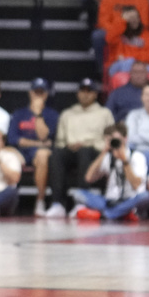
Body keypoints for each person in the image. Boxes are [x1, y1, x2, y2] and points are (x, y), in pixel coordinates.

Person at [45, 79, 114, 218]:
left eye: (89, 91)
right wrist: (68, 146)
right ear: (78, 93)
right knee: (56, 154)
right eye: (83, 91)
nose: (85, 94)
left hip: (94, 150)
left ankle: (81, 202)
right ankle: (57, 203)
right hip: (71, 148)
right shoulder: (67, 113)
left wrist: (89, 145)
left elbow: (109, 138)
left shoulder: (104, 113)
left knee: (85, 152)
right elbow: (60, 140)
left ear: (95, 94)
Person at [70, 123, 149, 221]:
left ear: (125, 139)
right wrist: (104, 151)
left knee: (145, 197)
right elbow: (89, 178)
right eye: (111, 141)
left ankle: (105, 214)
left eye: (117, 140)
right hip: (109, 201)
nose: (114, 143)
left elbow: (136, 185)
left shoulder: (137, 156)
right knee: (78, 193)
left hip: (129, 200)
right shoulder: (108, 157)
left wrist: (124, 161)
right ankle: (119, 214)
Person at [7, 78, 59, 217]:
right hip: (20, 152)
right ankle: (5, 201)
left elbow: (45, 137)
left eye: (41, 93)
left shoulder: (51, 115)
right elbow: (13, 139)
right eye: (36, 92)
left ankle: (40, 200)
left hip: (39, 154)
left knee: (42, 154)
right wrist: (39, 143)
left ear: (46, 95)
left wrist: (38, 114)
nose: (38, 95)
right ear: (30, 93)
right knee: (6, 153)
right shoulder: (19, 113)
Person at [93, 0, 149, 73]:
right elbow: (103, 21)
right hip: (114, 32)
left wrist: (128, 30)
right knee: (98, 35)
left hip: (135, 32)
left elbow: (144, 23)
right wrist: (119, 29)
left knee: (147, 37)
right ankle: (102, 73)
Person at [125, 83, 149, 173]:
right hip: (134, 150)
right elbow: (130, 138)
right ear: (142, 97)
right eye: (147, 94)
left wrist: (140, 133)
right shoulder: (133, 115)